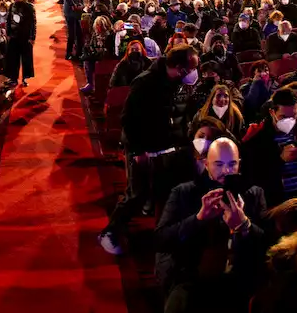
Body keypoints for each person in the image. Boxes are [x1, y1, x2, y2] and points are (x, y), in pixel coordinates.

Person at [99, 43, 200, 255]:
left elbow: (181, 114)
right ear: (179, 67)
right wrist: (137, 151)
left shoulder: (179, 83)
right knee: (137, 194)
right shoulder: (145, 83)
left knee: (166, 192)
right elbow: (128, 120)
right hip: (143, 147)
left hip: (169, 145)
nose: (193, 73)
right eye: (191, 68)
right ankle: (111, 232)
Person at [154, 138, 266, 312]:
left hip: (239, 280)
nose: (226, 171)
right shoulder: (185, 192)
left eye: (232, 164)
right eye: (219, 165)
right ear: (206, 164)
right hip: (192, 278)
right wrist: (198, 218)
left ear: (239, 164)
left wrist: (244, 226)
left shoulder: (253, 194)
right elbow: (161, 240)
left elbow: (267, 245)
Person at [240, 87, 297, 206]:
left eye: (293, 116)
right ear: (272, 113)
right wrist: (280, 160)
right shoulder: (258, 137)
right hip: (278, 202)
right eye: (283, 117)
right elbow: (253, 175)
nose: (289, 121)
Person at [5, 0, 36, 87]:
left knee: (26, 59)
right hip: (14, 36)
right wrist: (8, 33)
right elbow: (8, 21)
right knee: (13, 58)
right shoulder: (12, 6)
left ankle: (25, 78)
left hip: (25, 37)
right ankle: (13, 78)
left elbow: (33, 23)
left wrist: (32, 37)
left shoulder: (29, 7)